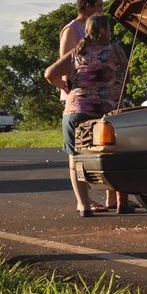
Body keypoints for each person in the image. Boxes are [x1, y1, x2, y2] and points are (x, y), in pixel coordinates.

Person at [45, 14, 134, 216]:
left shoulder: (77, 52)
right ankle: (122, 203)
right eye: (109, 29)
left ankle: (84, 206)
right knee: (118, 154)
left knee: (77, 158)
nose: (111, 33)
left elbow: (49, 74)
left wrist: (67, 88)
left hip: (74, 111)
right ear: (103, 31)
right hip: (105, 113)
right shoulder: (115, 49)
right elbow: (126, 78)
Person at [57, 0, 123, 212]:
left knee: (103, 149)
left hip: (90, 99)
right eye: (99, 6)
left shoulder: (100, 38)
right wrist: (68, 86)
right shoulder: (72, 30)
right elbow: (65, 64)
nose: (102, 10)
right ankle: (85, 201)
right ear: (87, 7)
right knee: (79, 153)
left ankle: (111, 198)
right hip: (81, 97)